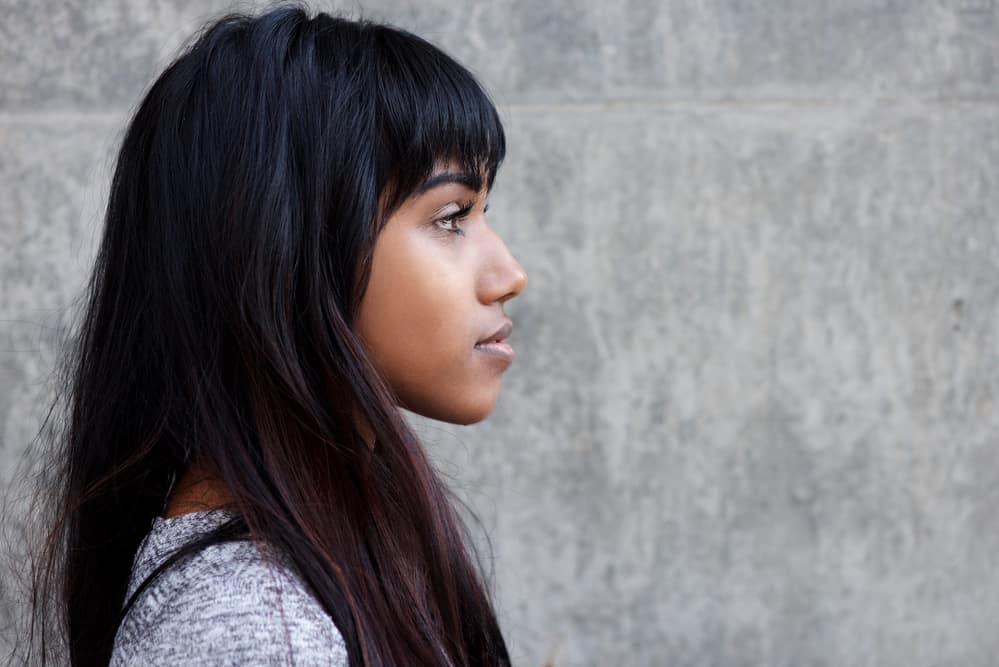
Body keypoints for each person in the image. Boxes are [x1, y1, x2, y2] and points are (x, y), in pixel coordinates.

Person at [21, 5, 528, 666]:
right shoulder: (253, 626)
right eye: (451, 215)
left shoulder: (329, 552)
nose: (509, 274)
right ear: (287, 247)